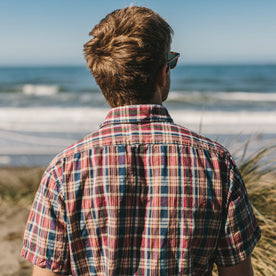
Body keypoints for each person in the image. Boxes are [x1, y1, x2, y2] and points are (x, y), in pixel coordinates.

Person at [21, 6, 261, 276]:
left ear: (102, 80)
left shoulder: (63, 171)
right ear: (162, 74)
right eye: (170, 61)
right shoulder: (217, 165)